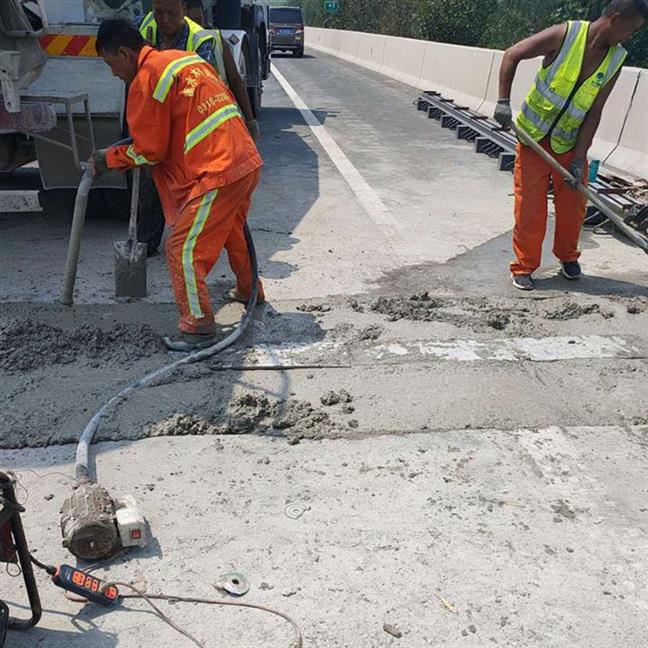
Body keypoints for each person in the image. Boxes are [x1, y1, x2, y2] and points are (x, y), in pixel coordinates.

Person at [92, 18, 265, 351]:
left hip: (217, 169)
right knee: (232, 229)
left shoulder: (145, 80)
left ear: (125, 53)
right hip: (244, 160)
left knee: (182, 249)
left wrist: (107, 159)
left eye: (109, 63)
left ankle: (198, 326)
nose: (112, 72)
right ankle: (249, 290)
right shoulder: (184, 59)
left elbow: (150, 150)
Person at [495, 0, 647, 291]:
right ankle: (525, 266)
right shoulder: (565, 35)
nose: (632, 36)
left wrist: (580, 157)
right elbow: (512, 55)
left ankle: (567, 257)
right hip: (533, 139)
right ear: (615, 19)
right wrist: (503, 101)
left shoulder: (615, 59)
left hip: (570, 145)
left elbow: (595, 109)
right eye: (632, 29)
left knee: (573, 205)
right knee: (530, 208)